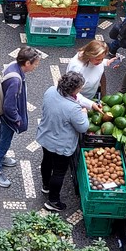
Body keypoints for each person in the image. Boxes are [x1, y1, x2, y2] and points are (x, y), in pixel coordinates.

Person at [36, 71, 90, 212]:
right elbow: (83, 127)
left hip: (45, 136)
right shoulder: (73, 108)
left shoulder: (51, 91)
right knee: (59, 172)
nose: (81, 89)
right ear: (73, 89)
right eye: (80, 87)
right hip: (61, 145)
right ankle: (53, 201)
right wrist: (84, 113)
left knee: (46, 162)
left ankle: (46, 186)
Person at [0, 46, 42, 189]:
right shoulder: (16, 81)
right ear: (27, 63)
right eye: (35, 63)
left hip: (4, 116)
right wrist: (17, 119)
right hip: (10, 118)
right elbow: (9, 106)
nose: (36, 66)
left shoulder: (12, 65)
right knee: (5, 142)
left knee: (1, 135)